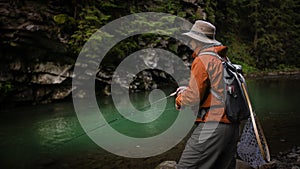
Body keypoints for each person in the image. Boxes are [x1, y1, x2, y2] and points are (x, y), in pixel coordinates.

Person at [175, 20, 239, 169]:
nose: (190, 42)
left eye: (191, 38)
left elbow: (192, 98)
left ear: (197, 40)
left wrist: (179, 100)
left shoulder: (203, 59)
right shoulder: (221, 59)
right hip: (232, 127)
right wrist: (188, 90)